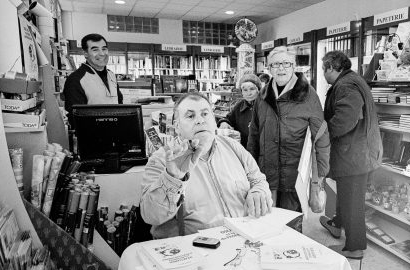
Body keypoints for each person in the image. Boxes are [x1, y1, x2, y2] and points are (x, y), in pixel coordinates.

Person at [140, 92, 273, 239]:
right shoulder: (162, 159)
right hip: (193, 252)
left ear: (213, 119)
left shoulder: (233, 147)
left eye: (205, 114)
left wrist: (258, 192)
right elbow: (151, 216)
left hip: (244, 242)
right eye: (190, 116)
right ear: (177, 126)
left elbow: (258, 179)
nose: (200, 120)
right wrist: (173, 178)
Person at [247, 46, 330, 212]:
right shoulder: (263, 96)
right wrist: (250, 170)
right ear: (269, 68)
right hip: (266, 174)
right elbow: (254, 135)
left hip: (294, 176)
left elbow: (320, 136)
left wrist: (321, 174)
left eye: (286, 63)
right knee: (266, 221)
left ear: (294, 66)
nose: (281, 68)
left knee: (291, 224)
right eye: (276, 64)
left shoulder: (308, 95)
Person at [320, 51, 382, 259]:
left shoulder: (345, 85)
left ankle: (355, 248)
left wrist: (323, 134)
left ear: (331, 67)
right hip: (357, 151)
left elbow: (346, 118)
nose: (323, 74)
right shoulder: (353, 79)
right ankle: (337, 224)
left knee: (353, 200)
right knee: (346, 194)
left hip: (354, 154)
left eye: (323, 70)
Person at [63, 33, 123, 126]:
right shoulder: (76, 79)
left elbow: (119, 103)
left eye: (104, 49)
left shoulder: (111, 75)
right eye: (95, 50)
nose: (102, 53)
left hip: (116, 133)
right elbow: (75, 118)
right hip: (92, 137)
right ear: (85, 53)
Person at [217, 74, 261, 148]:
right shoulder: (239, 106)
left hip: (261, 150)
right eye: (245, 90)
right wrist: (223, 122)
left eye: (252, 89)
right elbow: (228, 119)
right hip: (243, 149)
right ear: (242, 92)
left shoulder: (265, 106)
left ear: (258, 90)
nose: (249, 93)